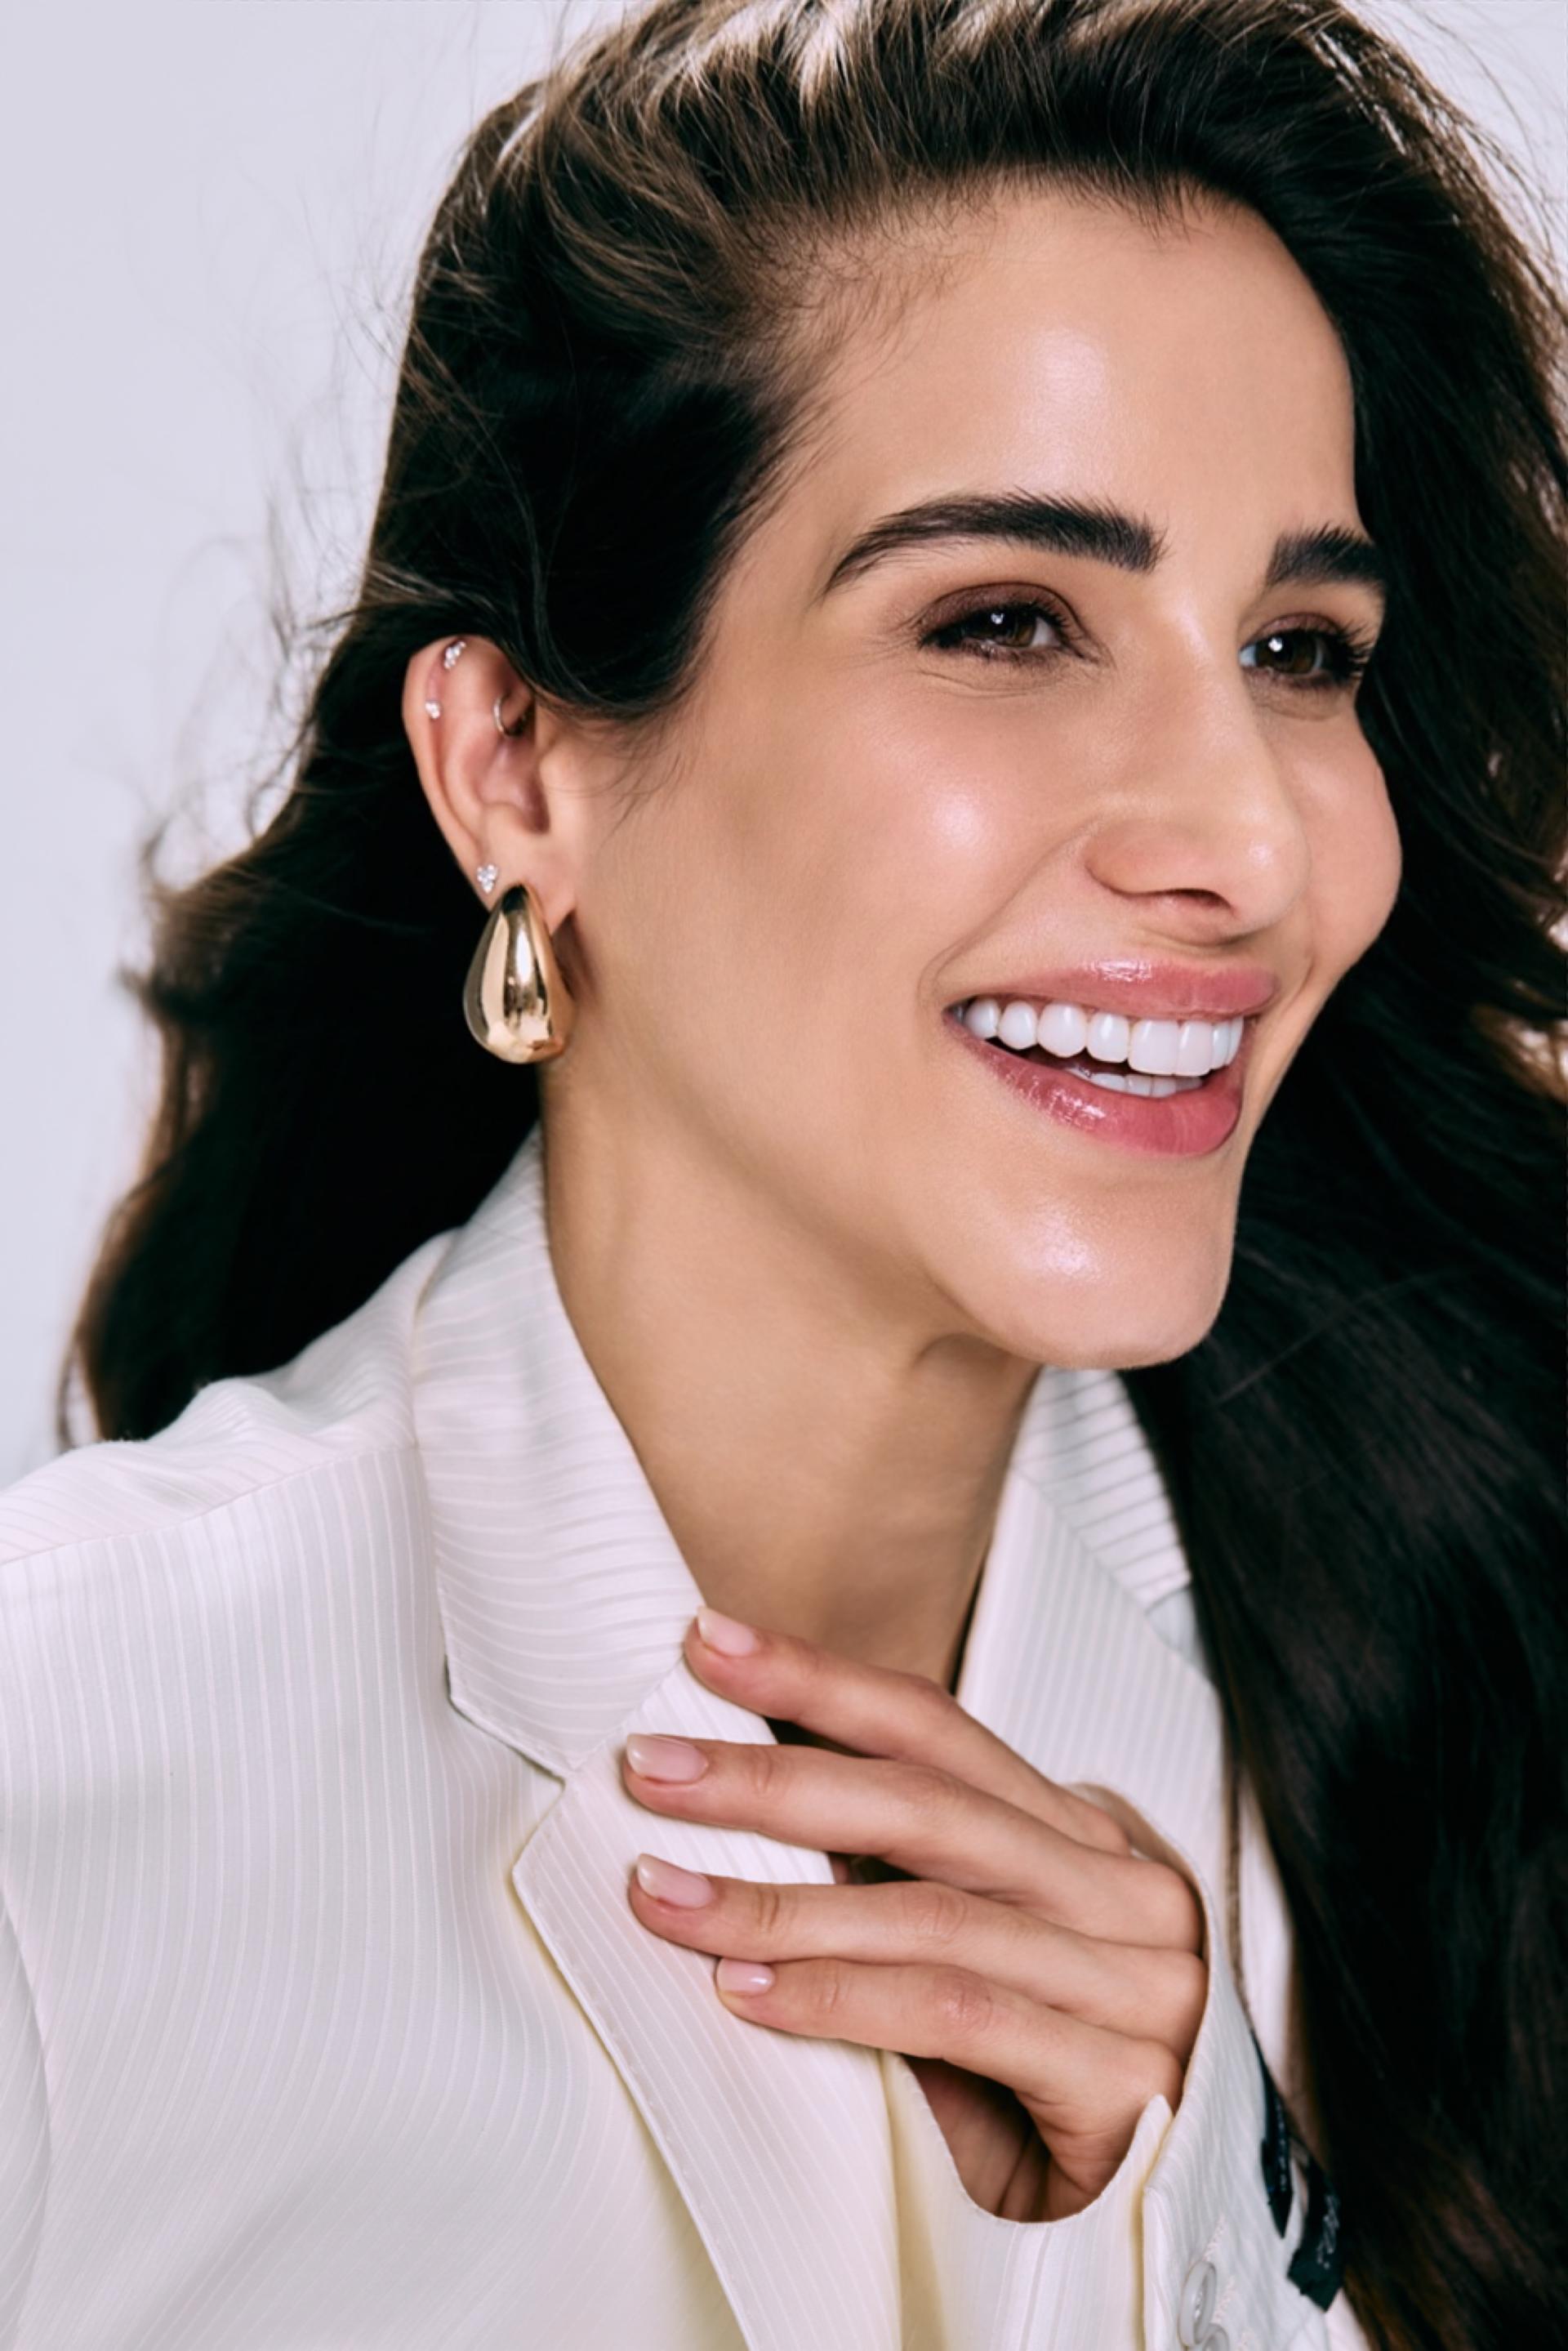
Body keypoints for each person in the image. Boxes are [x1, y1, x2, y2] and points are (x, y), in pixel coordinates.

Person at [2, 0, 1563, 2344]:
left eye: (1298, 647)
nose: (1249, 839)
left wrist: (1225, 2230)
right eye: (1008, 623)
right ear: (516, 765)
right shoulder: (66, 1780)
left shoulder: (1468, 1669)